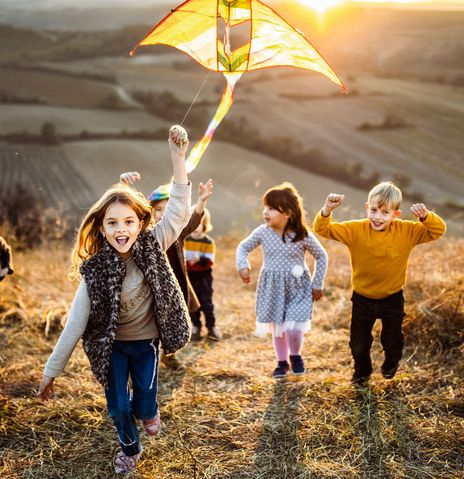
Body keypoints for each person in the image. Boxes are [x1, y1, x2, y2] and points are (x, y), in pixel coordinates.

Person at [37, 125, 192, 474]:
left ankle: (149, 412)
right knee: (119, 407)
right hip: (112, 348)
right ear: (101, 228)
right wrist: (51, 372)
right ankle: (129, 447)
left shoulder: (153, 245)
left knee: (145, 401)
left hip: (146, 343)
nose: (121, 229)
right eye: (112, 223)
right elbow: (75, 323)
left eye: (128, 221)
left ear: (140, 224)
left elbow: (180, 211)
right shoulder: (95, 271)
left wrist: (177, 158)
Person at [313, 181, 446, 385]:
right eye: (374, 210)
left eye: (385, 212)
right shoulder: (356, 229)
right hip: (362, 298)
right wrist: (327, 210)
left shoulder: (407, 231)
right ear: (367, 207)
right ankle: (362, 373)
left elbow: (437, 231)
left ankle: (391, 363)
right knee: (358, 344)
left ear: (396, 214)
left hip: (392, 299)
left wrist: (426, 217)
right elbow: (323, 229)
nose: (377, 216)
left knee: (393, 342)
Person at [120, 171, 214, 367]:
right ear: (150, 212)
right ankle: (149, 355)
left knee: (171, 322)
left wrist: (201, 202)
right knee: (153, 323)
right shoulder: (147, 237)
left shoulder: (176, 233)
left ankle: (169, 354)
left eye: (168, 208)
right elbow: (125, 212)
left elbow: (194, 221)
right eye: (159, 209)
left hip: (174, 285)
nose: (163, 213)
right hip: (151, 289)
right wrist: (124, 187)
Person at [236, 182, 328, 378]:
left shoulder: (302, 235)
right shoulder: (263, 232)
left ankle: (295, 356)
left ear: (287, 213)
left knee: (294, 328)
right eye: (265, 207)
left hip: (299, 289)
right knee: (279, 328)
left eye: (271, 208)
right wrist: (242, 265)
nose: (265, 212)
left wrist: (317, 283)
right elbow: (243, 247)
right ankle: (281, 362)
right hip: (272, 288)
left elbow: (322, 256)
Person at [184, 208, 220, 341]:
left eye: (199, 223)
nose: (195, 227)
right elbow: (182, 258)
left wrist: (199, 259)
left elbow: (210, 260)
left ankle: (212, 327)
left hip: (204, 277)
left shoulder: (208, 242)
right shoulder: (185, 240)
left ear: (205, 224)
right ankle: (196, 327)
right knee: (193, 304)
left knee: (207, 303)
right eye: (193, 223)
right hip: (190, 276)